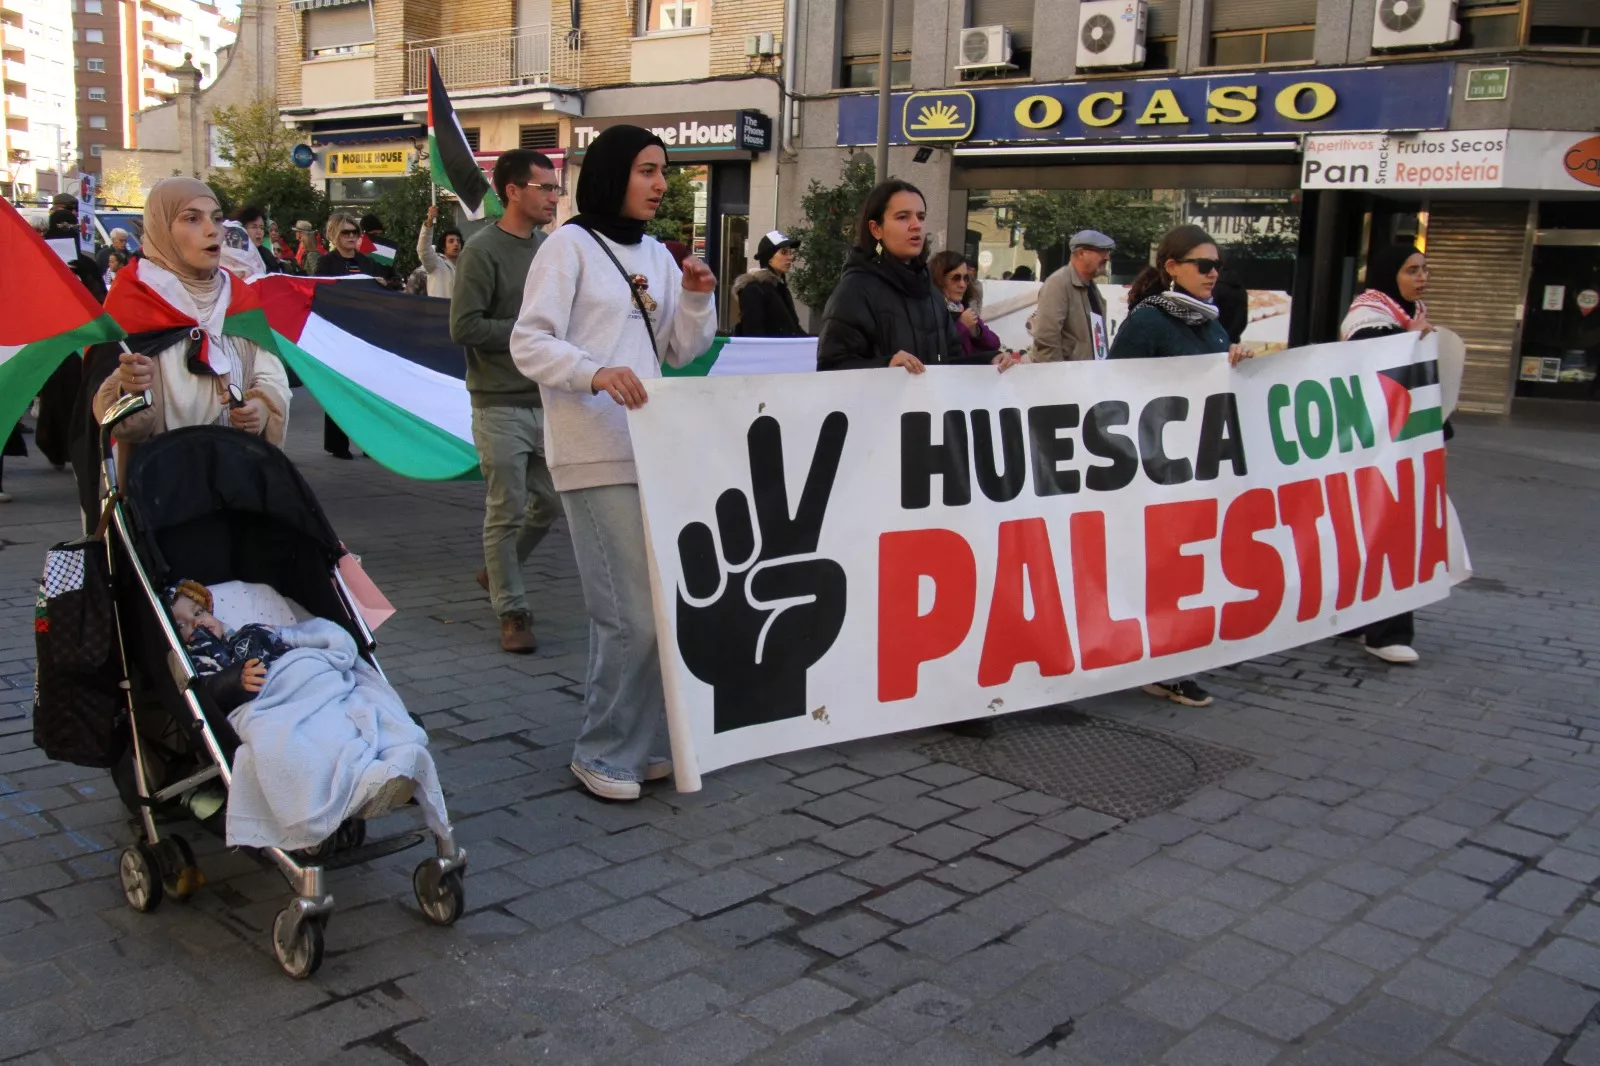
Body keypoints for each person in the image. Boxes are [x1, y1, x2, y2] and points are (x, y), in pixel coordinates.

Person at [509, 124, 718, 801]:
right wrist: (594, 373)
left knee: (655, 609)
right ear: (610, 175)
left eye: (664, 172)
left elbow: (681, 353)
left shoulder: (657, 252)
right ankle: (602, 751)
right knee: (626, 612)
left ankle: (635, 744)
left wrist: (694, 293)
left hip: (650, 450)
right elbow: (529, 343)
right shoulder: (567, 247)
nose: (661, 184)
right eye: (647, 171)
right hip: (592, 451)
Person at [81, 177, 292, 519]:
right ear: (161, 228)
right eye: (192, 218)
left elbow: (271, 375)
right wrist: (128, 390)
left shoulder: (240, 300)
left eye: (217, 217)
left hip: (238, 488)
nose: (213, 230)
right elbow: (113, 427)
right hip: (164, 504)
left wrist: (262, 408)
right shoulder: (129, 305)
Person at [1108, 223, 1251, 709]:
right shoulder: (1149, 320)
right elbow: (1114, 390)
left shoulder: (1208, 320)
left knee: (1188, 567)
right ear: (1172, 267)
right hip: (1155, 468)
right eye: (1204, 266)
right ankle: (1164, 666)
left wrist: (1235, 360)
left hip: (1198, 465)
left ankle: (1170, 662)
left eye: (1218, 267)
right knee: (1165, 569)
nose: (1214, 275)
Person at [451, 149, 564, 654]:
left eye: (555, 187)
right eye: (545, 187)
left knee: (554, 502)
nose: (554, 196)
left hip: (547, 399)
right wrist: (529, 333)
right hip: (497, 401)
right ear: (513, 191)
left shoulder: (551, 248)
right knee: (508, 508)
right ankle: (513, 611)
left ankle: (499, 572)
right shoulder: (482, 250)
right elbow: (465, 326)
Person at [1337, 243, 1437, 665]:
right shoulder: (1370, 321)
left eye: (1423, 269)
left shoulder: (1399, 318)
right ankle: (1385, 630)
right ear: (1386, 274)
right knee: (1393, 531)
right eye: (1411, 270)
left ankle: (1361, 620)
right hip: (1380, 447)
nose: (1421, 278)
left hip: (1393, 445)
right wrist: (1412, 340)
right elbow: (1381, 376)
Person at [817, 180, 1016, 373]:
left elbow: (948, 363)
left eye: (920, 217)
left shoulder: (931, 293)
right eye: (903, 217)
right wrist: (887, 365)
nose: (916, 225)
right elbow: (832, 368)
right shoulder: (855, 290)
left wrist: (987, 361)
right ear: (876, 229)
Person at [1033, 229, 1116, 362]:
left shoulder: (1091, 287)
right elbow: (1046, 339)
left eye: (1108, 252)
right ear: (1081, 253)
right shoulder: (1058, 283)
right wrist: (1058, 376)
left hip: (1090, 376)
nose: (1107, 257)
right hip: (1069, 378)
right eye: (1102, 251)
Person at [930, 250, 1001, 360]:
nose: (962, 285)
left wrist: (976, 332)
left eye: (965, 278)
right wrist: (962, 327)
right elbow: (938, 354)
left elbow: (994, 344)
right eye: (956, 278)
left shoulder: (963, 308)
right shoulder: (931, 311)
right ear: (939, 279)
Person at [733, 230, 806, 337]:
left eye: (790, 253)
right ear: (769, 258)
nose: (790, 257)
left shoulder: (780, 288)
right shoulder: (754, 290)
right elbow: (753, 335)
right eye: (784, 252)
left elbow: (794, 329)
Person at [415, 204, 462, 299]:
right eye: (451, 241)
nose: (456, 244)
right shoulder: (436, 263)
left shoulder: (464, 267)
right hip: (439, 311)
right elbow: (423, 249)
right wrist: (429, 221)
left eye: (458, 241)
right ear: (443, 247)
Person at [234, 205, 283, 273]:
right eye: (254, 227)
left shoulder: (267, 254)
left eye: (261, 228)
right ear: (242, 229)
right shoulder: (233, 253)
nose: (259, 232)